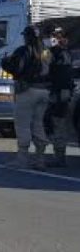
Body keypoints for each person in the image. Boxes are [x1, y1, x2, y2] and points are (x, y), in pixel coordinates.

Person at [1, 25, 52, 170]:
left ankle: (22, 159)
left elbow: (16, 67)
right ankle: (40, 159)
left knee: (22, 124)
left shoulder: (24, 50)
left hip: (27, 90)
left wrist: (5, 62)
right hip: (44, 91)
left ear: (27, 37)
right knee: (38, 123)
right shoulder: (47, 52)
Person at [44, 26, 75, 168]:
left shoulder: (56, 53)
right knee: (58, 123)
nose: (52, 39)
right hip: (63, 92)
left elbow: (45, 70)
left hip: (59, 93)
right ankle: (59, 155)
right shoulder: (65, 53)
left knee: (57, 123)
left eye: (55, 36)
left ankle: (59, 157)